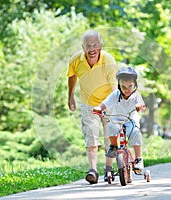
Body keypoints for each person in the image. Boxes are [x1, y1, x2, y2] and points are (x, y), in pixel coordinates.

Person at [67, 30, 119, 184]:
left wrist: (113, 107)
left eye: (95, 45)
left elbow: (114, 88)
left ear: (100, 46)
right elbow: (72, 76)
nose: (91, 49)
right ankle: (92, 170)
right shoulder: (76, 59)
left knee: (110, 137)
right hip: (88, 104)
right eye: (88, 46)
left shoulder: (108, 60)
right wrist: (70, 97)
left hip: (108, 102)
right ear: (83, 47)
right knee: (90, 135)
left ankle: (108, 167)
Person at [93, 67, 146, 173]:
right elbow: (105, 104)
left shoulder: (136, 95)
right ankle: (114, 146)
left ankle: (138, 159)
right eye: (123, 87)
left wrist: (140, 107)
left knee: (135, 132)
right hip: (116, 118)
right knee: (111, 127)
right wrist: (99, 108)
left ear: (135, 85)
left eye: (130, 86)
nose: (127, 89)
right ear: (119, 86)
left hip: (131, 119)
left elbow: (141, 105)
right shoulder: (115, 95)